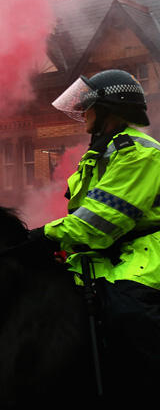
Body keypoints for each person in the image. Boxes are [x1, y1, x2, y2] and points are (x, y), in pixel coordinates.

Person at [33, 69, 160, 370]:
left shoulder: (139, 154)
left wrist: (45, 235)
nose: (83, 113)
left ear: (109, 109)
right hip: (105, 254)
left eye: (89, 105)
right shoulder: (99, 155)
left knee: (127, 314)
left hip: (147, 253)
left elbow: (101, 222)